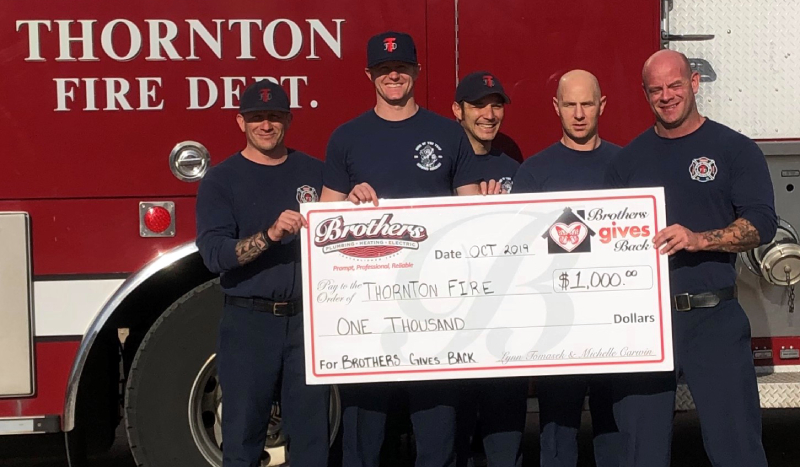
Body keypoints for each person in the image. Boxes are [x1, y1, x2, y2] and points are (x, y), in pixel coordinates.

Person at [605, 49, 776, 467]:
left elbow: (761, 224)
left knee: (736, 448)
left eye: (675, 85)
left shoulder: (734, 149)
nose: (667, 96)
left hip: (713, 318)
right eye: (656, 89)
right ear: (645, 95)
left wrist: (698, 239)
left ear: (694, 83)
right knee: (639, 451)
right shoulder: (626, 162)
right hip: (645, 325)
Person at [320, 31, 484, 467]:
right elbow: (323, 220)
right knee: (364, 440)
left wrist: (487, 211)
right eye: (384, 70)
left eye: (402, 68)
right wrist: (348, 205)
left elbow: (469, 212)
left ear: (416, 72)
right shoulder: (346, 137)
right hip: (366, 315)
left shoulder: (448, 135)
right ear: (369, 75)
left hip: (435, 310)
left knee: (437, 438)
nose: (393, 76)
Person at [195, 80, 329, 467]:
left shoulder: (316, 173)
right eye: (256, 117)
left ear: (288, 119)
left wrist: (359, 197)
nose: (266, 125)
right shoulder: (221, 180)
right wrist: (269, 236)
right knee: (243, 436)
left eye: (274, 116)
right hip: (248, 323)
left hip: (306, 322)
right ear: (241, 122)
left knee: (311, 439)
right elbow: (215, 254)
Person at [513, 69, 623, 467]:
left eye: (587, 104)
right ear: (556, 107)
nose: (579, 113)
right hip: (557, 326)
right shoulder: (534, 173)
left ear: (602, 106)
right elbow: (521, 251)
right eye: (570, 104)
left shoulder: (625, 166)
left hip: (614, 324)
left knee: (614, 430)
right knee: (557, 434)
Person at [451, 70, 527, 467]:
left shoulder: (514, 163)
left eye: (496, 105)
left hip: (504, 324)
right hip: (451, 324)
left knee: (504, 437)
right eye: (478, 105)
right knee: (452, 436)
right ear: (457, 111)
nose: (488, 114)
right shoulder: (442, 166)